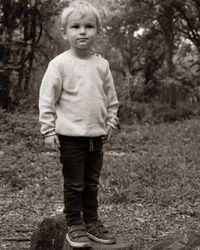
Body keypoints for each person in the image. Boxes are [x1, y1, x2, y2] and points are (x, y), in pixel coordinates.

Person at [39, 0, 119, 248]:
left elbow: (111, 99)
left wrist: (111, 121)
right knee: (75, 183)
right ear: (65, 32)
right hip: (71, 136)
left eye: (88, 26)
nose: (82, 31)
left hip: (96, 137)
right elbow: (47, 99)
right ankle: (75, 224)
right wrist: (48, 129)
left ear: (97, 30)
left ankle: (92, 221)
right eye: (75, 26)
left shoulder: (102, 64)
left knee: (92, 182)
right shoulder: (59, 64)